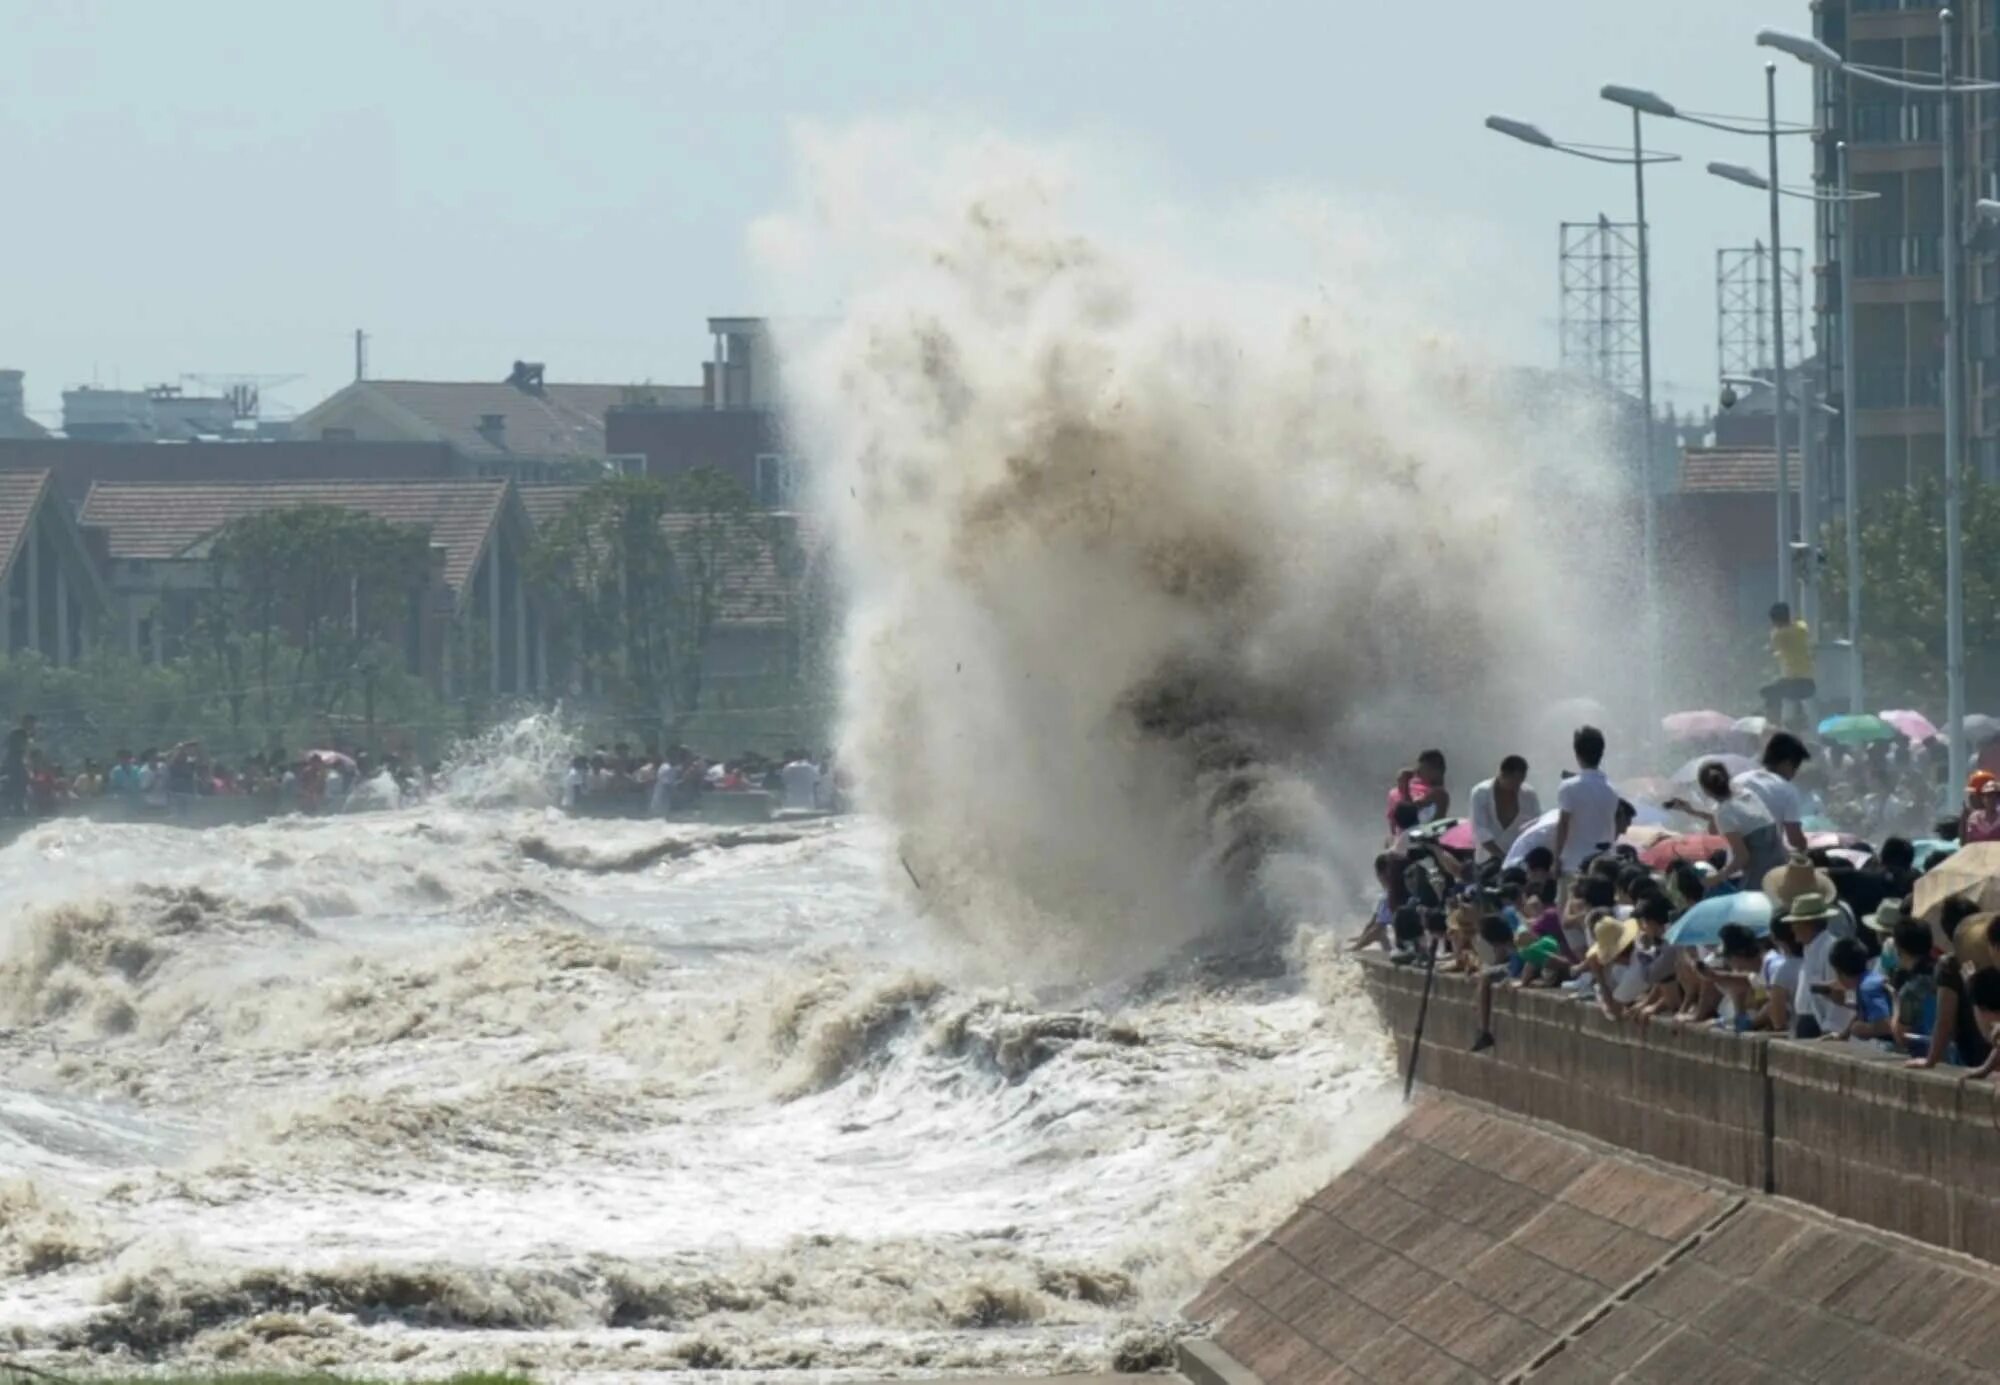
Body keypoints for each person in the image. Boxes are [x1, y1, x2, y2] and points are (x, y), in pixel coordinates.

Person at [1672, 761, 1783, 886]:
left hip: (1761, 877)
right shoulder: (1747, 795)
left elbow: (1742, 857)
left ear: (1705, 790)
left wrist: (1716, 878)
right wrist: (1693, 811)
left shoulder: (1724, 813)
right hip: (1781, 869)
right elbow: (1716, 828)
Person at [1553, 726, 1620, 876]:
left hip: (1574, 864)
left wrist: (1556, 858)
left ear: (1577, 754)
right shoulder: (1612, 789)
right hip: (1605, 864)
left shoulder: (1568, 787)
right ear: (1601, 753)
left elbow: (1563, 824)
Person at [1787, 892, 1854, 1040]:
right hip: (1804, 1022)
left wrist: (1830, 1029)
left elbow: (1837, 991)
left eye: (1795, 923)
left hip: (1820, 1026)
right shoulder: (1809, 949)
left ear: (1808, 924)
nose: (1792, 929)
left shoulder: (1830, 948)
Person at [1734, 732, 1812, 854]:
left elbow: (1715, 827)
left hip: (1735, 863)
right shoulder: (1787, 790)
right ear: (1787, 763)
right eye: (1795, 768)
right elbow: (1794, 839)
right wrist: (1805, 848)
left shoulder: (1738, 781)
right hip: (1768, 863)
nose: (1794, 774)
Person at [1468, 755, 1541, 866]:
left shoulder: (1529, 794)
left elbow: (1536, 826)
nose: (1518, 786)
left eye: (1521, 781)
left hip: (1518, 860)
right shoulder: (1480, 792)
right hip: (1487, 860)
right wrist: (1502, 857)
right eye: (1514, 781)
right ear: (1502, 775)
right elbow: (1480, 829)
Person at [1823, 937, 1894, 1042]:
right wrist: (1843, 1035)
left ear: (1839, 972)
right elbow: (1862, 1012)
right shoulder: (1869, 980)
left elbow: (1886, 1024)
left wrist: (1863, 1029)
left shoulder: (1868, 987)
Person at [1761, 601, 1816, 726]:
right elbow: (1791, 649)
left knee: (1767, 691)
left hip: (1795, 682)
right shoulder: (1801, 628)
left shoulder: (1778, 635)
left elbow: (1774, 647)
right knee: (1781, 688)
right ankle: (1799, 714)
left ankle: (1774, 721)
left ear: (1775, 620)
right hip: (1809, 683)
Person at [1384, 749, 1451, 841]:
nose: (1418, 774)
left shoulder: (1439, 794)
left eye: (1422, 770)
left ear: (1435, 772)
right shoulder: (1433, 793)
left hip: (1427, 841)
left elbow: (1409, 811)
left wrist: (1406, 785)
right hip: (1412, 838)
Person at [2, 713, 34, 817]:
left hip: (14, 762)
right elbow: (20, 748)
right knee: (20, 782)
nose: (32, 725)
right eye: (31, 723)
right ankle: (16, 807)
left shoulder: (23, 733)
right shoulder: (20, 732)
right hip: (14, 762)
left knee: (20, 783)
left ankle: (17, 806)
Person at [1961, 773, 2000, 845]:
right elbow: (1964, 844)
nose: (1970, 798)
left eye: (1973, 794)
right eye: (1987, 796)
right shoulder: (1973, 818)